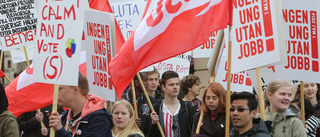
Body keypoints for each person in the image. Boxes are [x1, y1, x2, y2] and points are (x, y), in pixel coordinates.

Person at [49, 72, 113, 137]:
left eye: (60, 89)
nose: (56, 93)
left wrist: (61, 130)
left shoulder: (99, 119)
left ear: (75, 89)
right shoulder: (64, 117)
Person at [149, 70, 196, 137]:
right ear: (163, 87)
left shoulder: (187, 107)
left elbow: (193, 131)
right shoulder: (156, 108)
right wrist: (153, 124)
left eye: (177, 84)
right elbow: (151, 134)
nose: (175, 87)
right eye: (171, 85)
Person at [122, 72, 155, 137]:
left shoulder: (150, 101)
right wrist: (131, 124)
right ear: (137, 83)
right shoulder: (123, 101)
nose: (148, 83)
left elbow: (151, 128)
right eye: (145, 80)